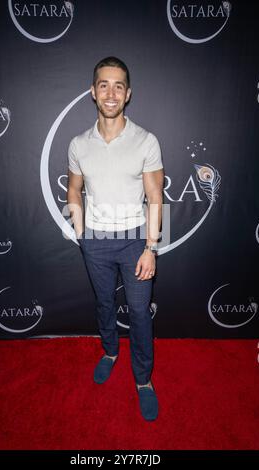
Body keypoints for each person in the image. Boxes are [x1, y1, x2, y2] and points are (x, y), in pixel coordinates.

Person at [67, 57, 164, 421]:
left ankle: (143, 380)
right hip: (95, 241)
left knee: (139, 312)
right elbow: (73, 191)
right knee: (104, 304)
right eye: (103, 85)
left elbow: (156, 198)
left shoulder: (145, 140)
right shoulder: (78, 144)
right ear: (93, 92)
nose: (111, 93)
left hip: (136, 241)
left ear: (128, 94)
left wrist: (151, 248)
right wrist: (81, 233)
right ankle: (109, 351)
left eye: (118, 86)